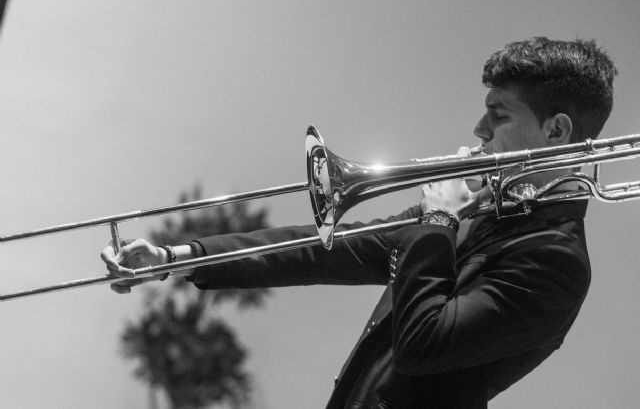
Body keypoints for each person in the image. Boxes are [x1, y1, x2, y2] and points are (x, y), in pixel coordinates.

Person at [102, 37, 617, 408]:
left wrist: (438, 216)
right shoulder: (476, 213)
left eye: (499, 115)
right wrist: (177, 259)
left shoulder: (556, 261)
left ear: (556, 131)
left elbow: (422, 344)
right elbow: (325, 246)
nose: (477, 129)